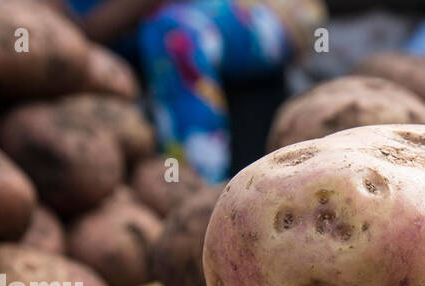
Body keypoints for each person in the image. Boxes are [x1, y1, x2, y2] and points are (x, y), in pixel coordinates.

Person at [60, 0, 323, 182]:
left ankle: (201, 184)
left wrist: (83, 32)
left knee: (177, 34)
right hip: (120, 32)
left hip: (268, 10)